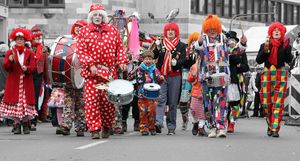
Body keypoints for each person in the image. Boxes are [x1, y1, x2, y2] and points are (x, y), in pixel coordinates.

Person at [77, 4, 128, 139]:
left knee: (108, 103)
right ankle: (94, 129)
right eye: (95, 15)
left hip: (108, 73)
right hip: (91, 73)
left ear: (103, 17)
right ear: (91, 17)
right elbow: (81, 51)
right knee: (91, 101)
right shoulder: (84, 31)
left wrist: (122, 62)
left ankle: (106, 126)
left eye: (100, 15)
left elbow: (119, 48)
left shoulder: (112, 30)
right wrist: (90, 64)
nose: (97, 17)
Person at [194, 14, 229, 138]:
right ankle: (212, 127)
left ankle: (221, 127)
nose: (212, 30)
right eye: (209, 28)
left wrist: (242, 44)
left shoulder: (224, 38)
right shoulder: (202, 40)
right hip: (207, 77)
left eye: (214, 27)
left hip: (221, 76)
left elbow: (235, 50)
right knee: (208, 103)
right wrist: (198, 42)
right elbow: (196, 49)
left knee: (221, 101)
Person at [256, 22, 293, 137]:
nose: (276, 32)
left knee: (278, 103)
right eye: (274, 30)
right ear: (271, 32)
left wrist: (287, 48)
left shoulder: (285, 45)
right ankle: (270, 123)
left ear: (282, 32)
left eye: (279, 30)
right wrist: (265, 51)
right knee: (266, 103)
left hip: (280, 74)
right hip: (267, 74)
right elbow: (258, 60)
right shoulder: (265, 45)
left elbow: (289, 59)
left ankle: (275, 128)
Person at [0, 28, 37, 134]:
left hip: (26, 82)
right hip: (14, 82)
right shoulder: (10, 52)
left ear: (25, 40)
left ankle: (26, 124)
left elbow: (33, 67)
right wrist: (10, 61)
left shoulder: (29, 52)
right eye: (18, 39)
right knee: (15, 103)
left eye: (21, 39)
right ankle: (16, 125)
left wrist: (27, 68)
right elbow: (6, 67)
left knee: (25, 104)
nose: (19, 41)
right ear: (15, 40)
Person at [153, 22, 187, 135]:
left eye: (173, 30)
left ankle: (171, 126)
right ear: (165, 32)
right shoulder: (161, 44)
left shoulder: (182, 46)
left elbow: (183, 60)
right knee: (160, 99)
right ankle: (158, 123)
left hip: (175, 76)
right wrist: (157, 47)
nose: (171, 32)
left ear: (176, 32)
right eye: (168, 30)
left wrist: (176, 63)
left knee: (172, 102)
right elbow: (154, 56)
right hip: (162, 76)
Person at [55, 19, 87, 137]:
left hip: (82, 78)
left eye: (81, 27)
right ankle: (66, 126)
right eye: (77, 26)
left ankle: (80, 127)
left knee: (81, 104)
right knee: (68, 103)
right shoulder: (68, 41)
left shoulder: (87, 41)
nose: (78, 29)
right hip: (69, 77)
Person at [134, 50, 163, 135]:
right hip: (142, 94)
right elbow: (137, 79)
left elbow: (158, 80)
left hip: (153, 95)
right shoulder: (139, 69)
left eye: (150, 59)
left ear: (152, 60)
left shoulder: (155, 69)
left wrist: (160, 78)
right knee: (143, 112)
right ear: (143, 59)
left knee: (152, 111)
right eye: (146, 59)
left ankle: (152, 127)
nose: (148, 61)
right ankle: (144, 128)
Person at [226, 31, 249, 133]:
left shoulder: (240, 52)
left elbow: (246, 67)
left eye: (233, 41)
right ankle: (225, 122)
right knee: (224, 103)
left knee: (235, 103)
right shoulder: (223, 51)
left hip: (236, 80)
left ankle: (232, 122)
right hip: (225, 80)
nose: (231, 43)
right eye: (229, 40)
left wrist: (239, 66)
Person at [30, 25, 51, 130]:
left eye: (39, 35)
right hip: (27, 74)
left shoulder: (43, 49)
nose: (38, 37)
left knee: (35, 98)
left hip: (38, 75)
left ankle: (33, 120)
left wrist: (47, 80)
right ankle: (24, 120)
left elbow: (46, 65)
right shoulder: (27, 46)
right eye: (35, 34)